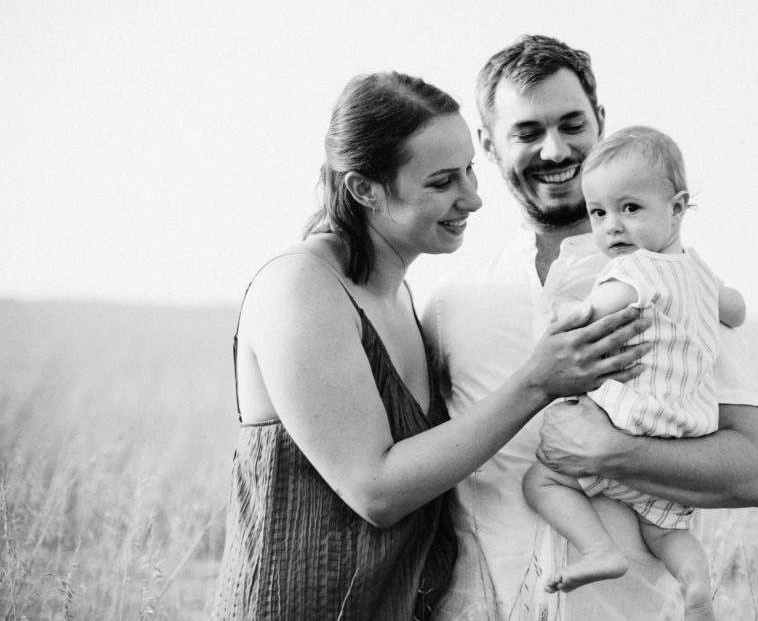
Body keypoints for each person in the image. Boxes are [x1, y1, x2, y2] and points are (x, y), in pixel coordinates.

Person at [210, 71, 651, 620]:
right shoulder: (300, 288)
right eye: (442, 182)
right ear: (365, 189)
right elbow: (377, 491)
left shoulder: (399, 297)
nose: (472, 197)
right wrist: (539, 380)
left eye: (469, 169)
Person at [422, 36, 758, 620]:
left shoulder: (679, 279)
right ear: (487, 144)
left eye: (572, 124)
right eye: (527, 132)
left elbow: (755, 475)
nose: (555, 149)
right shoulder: (449, 304)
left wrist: (614, 452)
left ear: (601, 122)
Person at [523, 126, 746, 621]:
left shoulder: (634, 272)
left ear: (678, 207)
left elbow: (589, 316)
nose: (612, 227)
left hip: (626, 426)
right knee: (667, 532)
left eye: (630, 209)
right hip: (678, 442)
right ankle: (696, 585)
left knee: (542, 481)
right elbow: (736, 309)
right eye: (599, 213)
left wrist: (564, 316)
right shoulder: (701, 275)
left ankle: (599, 550)